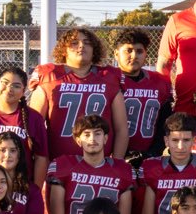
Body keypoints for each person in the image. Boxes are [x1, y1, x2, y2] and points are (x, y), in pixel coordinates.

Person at [29, 28, 130, 159]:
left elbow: (121, 129)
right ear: (63, 49)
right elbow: (33, 127)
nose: (81, 46)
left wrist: (115, 164)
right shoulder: (49, 76)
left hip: (98, 164)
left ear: (94, 50)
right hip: (57, 163)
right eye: (74, 43)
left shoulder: (109, 78)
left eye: (87, 42)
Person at [112, 29, 173, 160]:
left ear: (146, 54)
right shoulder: (108, 80)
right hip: (114, 155)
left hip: (149, 154)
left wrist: (153, 152)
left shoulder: (159, 82)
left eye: (139, 51)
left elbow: (165, 123)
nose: (134, 56)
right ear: (116, 54)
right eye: (128, 50)